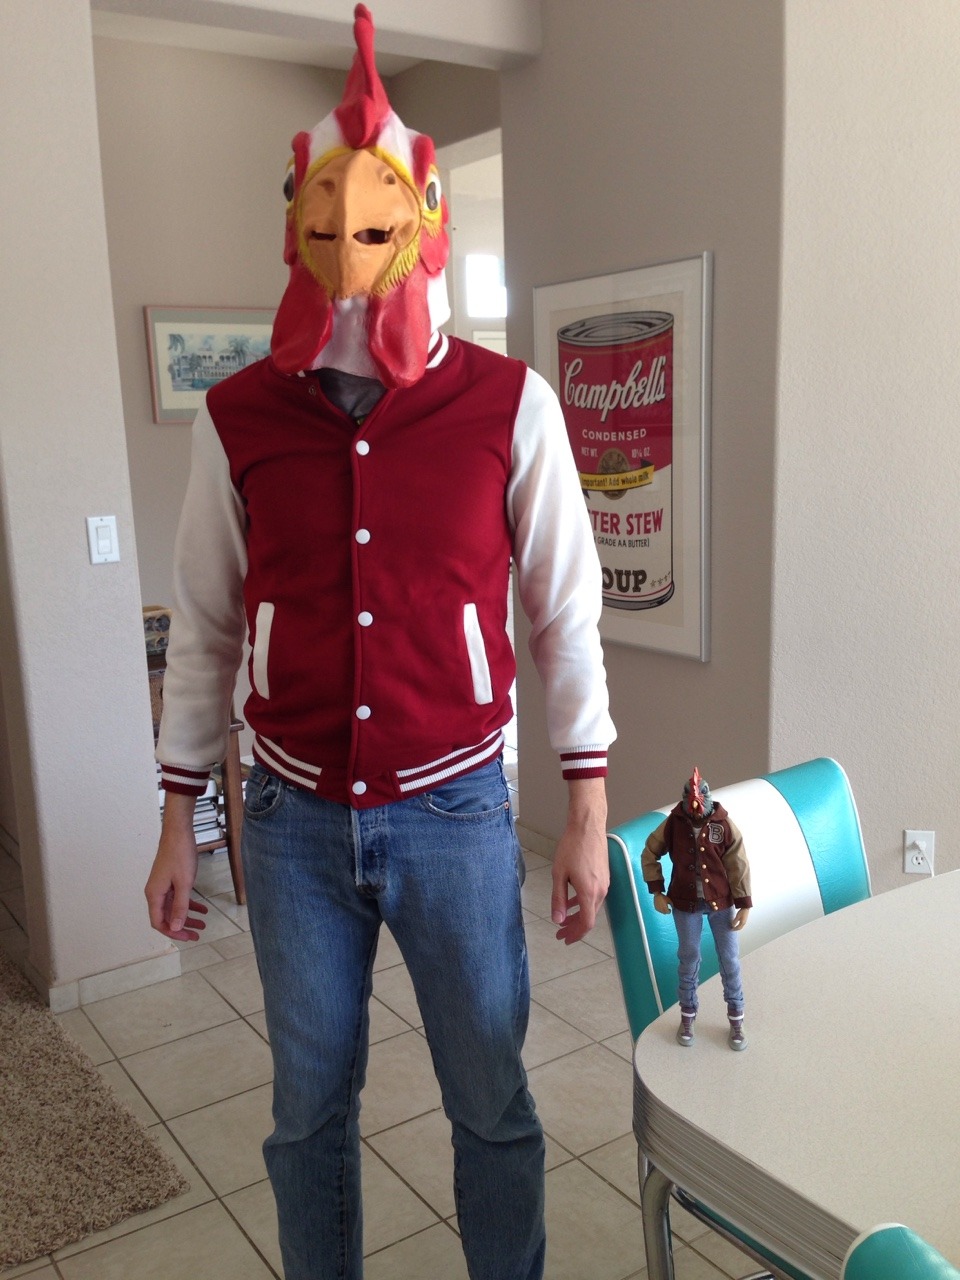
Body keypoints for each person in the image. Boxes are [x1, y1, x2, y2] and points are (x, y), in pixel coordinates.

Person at [144, 7, 616, 1279]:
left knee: (492, 1101)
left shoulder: (511, 405)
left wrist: (584, 810)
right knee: (308, 1116)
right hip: (289, 821)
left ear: (421, 219)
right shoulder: (236, 417)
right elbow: (205, 623)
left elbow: (564, 612)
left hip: (457, 810)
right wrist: (178, 818)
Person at [641, 768, 751, 1050]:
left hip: (721, 903)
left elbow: (738, 863)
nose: (695, 804)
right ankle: (688, 1015)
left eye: (700, 797)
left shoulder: (723, 825)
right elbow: (650, 851)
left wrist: (743, 903)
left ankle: (736, 1018)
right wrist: (657, 890)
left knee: (730, 959)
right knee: (689, 958)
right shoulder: (673, 824)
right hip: (685, 903)